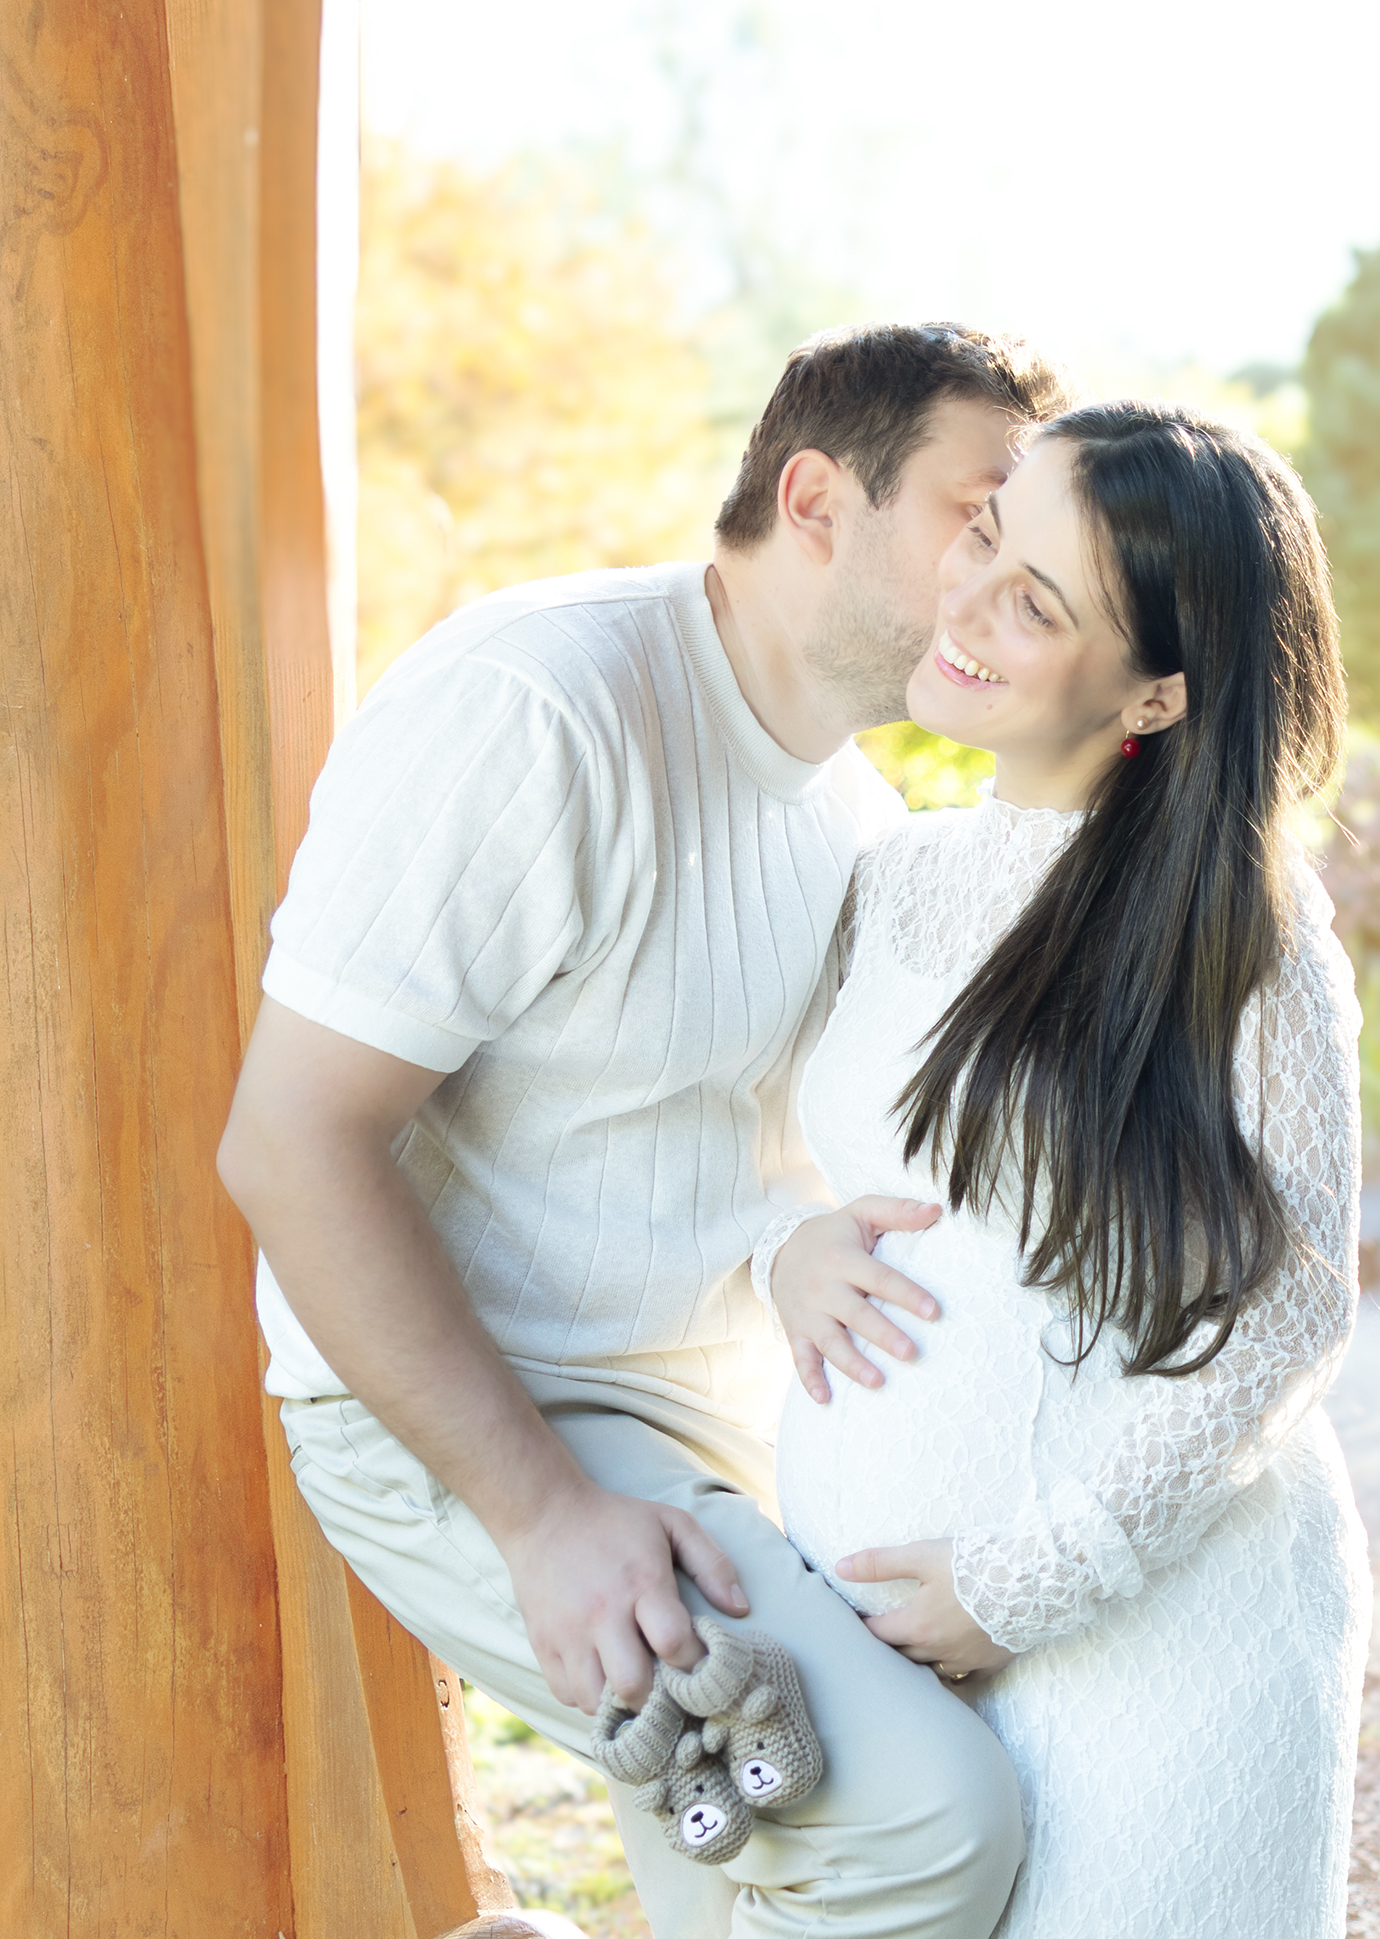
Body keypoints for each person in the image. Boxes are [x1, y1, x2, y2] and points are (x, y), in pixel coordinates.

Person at [217, 322, 1077, 1939]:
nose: (1005, 584)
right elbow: (289, 1143)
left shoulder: (857, 815)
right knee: (925, 1826)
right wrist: (544, 1517)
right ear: (814, 501)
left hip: (725, 1433)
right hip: (484, 1412)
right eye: (977, 521)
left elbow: (720, 1146)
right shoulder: (536, 706)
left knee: (764, 1879)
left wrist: (797, 1239)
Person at [760, 402, 1371, 1936]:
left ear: (1156, 692)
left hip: (1163, 1656)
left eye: (1035, 603)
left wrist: (1027, 1584)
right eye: (984, 535)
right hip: (892, 1668)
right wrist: (785, 1245)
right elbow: (792, 1148)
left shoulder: (1244, 932)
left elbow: (1289, 1310)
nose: (967, 599)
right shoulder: (893, 871)